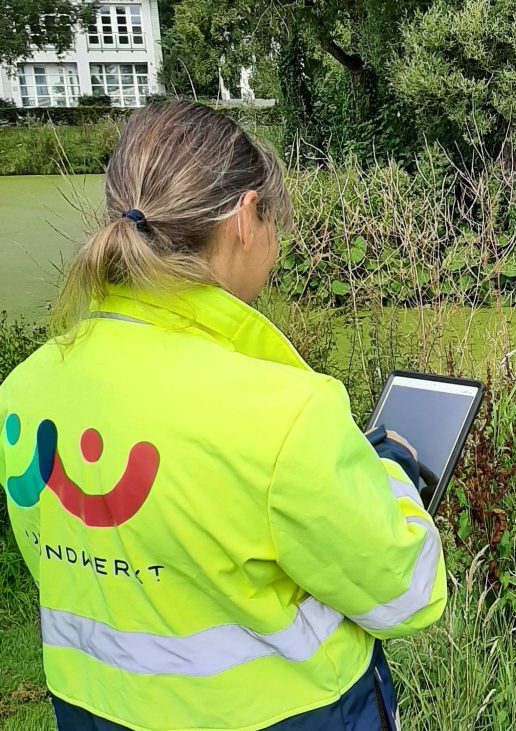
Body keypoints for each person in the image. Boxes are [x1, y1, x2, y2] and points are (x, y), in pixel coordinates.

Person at [0, 101, 446, 731]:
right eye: (273, 221)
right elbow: (407, 593)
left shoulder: (24, 390)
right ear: (244, 218)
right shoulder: (283, 414)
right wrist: (392, 470)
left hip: (92, 713)